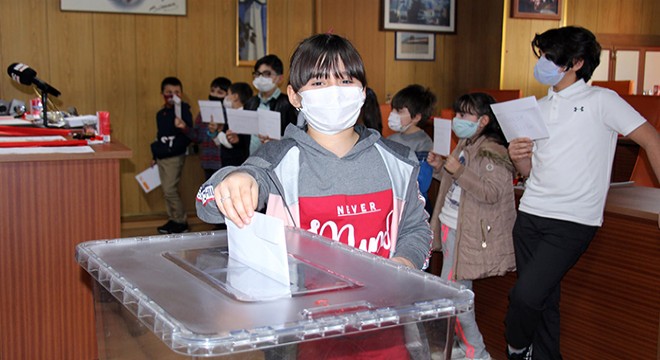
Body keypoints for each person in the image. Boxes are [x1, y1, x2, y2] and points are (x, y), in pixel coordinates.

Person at [196, 33, 432, 359]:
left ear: (363, 91)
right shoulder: (276, 160)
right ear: (294, 96)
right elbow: (206, 205)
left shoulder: (398, 161)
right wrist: (235, 179)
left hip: (387, 334)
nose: (334, 92)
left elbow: (417, 230)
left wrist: (402, 265)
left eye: (346, 80)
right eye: (319, 83)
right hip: (305, 337)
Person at [504, 26, 660, 360]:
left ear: (576, 62)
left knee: (525, 297)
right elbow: (533, 173)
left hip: (572, 221)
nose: (542, 63)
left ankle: (516, 349)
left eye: (549, 56)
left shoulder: (602, 100)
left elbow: (651, 138)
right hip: (530, 214)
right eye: (541, 55)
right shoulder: (539, 107)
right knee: (545, 302)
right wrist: (521, 159)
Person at [427, 93, 516, 360]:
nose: (458, 120)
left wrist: (458, 171)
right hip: (450, 225)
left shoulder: (493, 151)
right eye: (457, 114)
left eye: (465, 115)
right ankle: (459, 347)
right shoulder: (465, 143)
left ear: (483, 120)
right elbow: (454, 184)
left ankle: (475, 352)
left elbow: (490, 192)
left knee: (455, 296)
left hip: (466, 233)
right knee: (452, 293)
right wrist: (440, 167)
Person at [150, 76, 193, 234]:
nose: (173, 95)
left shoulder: (184, 110)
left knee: (170, 189)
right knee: (166, 190)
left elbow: (190, 133)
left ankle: (181, 221)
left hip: (175, 155)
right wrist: (154, 156)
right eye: (169, 92)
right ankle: (173, 218)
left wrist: (182, 126)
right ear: (162, 94)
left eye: (176, 92)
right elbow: (159, 135)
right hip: (161, 155)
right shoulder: (161, 114)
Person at [387, 84, 436, 214]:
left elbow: (422, 182)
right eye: (393, 110)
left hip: (414, 207)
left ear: (416, 117)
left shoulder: (424, 143)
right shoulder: (390, 139)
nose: (393, 115)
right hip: (392, 203)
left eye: (399, 111)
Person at [176, 76, 231, 180]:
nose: (214, 95)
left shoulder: (230, 113)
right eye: (212, 91)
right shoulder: (203, 112)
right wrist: (185, 127)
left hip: (224, 162)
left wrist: (219, 130)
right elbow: (197, 137)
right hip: (207, 161)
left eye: (220, 93)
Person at [244, 54, 298, 153]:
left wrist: (277, 140)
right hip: (251, 160)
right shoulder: (250, 103)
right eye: (257, 74)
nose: (261, 78)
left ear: (280, 78)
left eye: (267, 74)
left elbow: (296, 137)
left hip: (277, 159)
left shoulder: (289, 104)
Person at [220, 82, 253, 167]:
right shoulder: (231, 114)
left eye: (228, 94)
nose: (226, 97)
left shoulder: (244, 115)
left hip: (238, 163)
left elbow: (243, 142)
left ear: (235, 96)